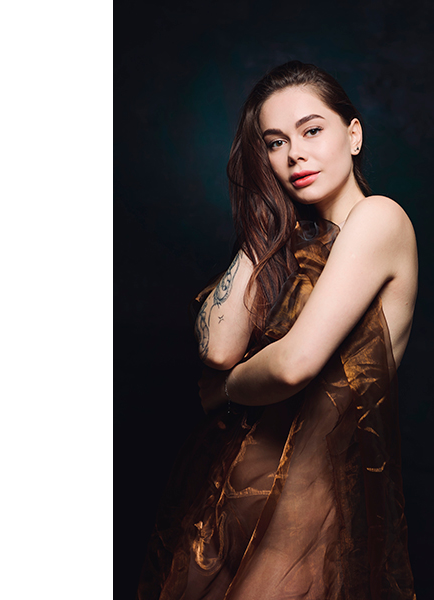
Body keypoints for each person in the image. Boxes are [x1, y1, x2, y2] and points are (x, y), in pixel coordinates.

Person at [138, 61, 418, 600]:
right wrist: (267, 220)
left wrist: (225, 391)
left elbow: (293, 364)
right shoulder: (291, 241)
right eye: (275, 143)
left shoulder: (379, 218)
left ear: (353, 135)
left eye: (312, 130)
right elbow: (219, 347)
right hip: (225, 497)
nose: (295, 155)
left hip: (304, 517)